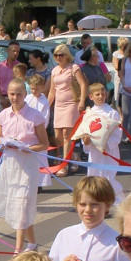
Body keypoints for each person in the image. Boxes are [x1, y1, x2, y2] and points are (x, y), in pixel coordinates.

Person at [0, 79, 49, 253]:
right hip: (10, 165)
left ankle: (17, 249)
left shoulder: (35, 115)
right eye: (11, 94)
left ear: (25, 95)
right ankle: (32, 243)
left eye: (18, 94)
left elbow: (44, 143)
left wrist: (28, 149)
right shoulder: (3, 115)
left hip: (27, 166)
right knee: (20, 206)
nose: (15, 97)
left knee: (23, 203)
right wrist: (5, 144)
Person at [48, 44, 89, 177]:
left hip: (72, 103)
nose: (59, 57)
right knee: (57, 136)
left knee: (67, 134)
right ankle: (72, 156)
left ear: (67, 56)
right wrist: (46, 106)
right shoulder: (54, 71)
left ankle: (64, 165)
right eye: (56, 55)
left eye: (61, 55)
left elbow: (83, 85)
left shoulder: (74, 68)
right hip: (59, 105)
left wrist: (82, 101)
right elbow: (52, 91)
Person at [81, 83, 124, 202]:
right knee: (94, 176)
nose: (100, 97)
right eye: (97, 94)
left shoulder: (111, 113)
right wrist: (86, 141)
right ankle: (97, 200)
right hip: (95, 152)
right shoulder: (89, 114)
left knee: (109, 176)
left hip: (109, 151)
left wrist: (107, 145)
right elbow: (85, 129)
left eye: (102, 94)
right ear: (91, 97)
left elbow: (117, 132)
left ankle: (118, 199)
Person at [0, 41, 21, 109]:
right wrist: (2, 98)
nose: (15, 53)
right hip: (3, 98)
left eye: (17, 51)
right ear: (8, 51)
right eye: (13, 51)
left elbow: (22, 84)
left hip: (16, 98)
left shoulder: (20, 67)